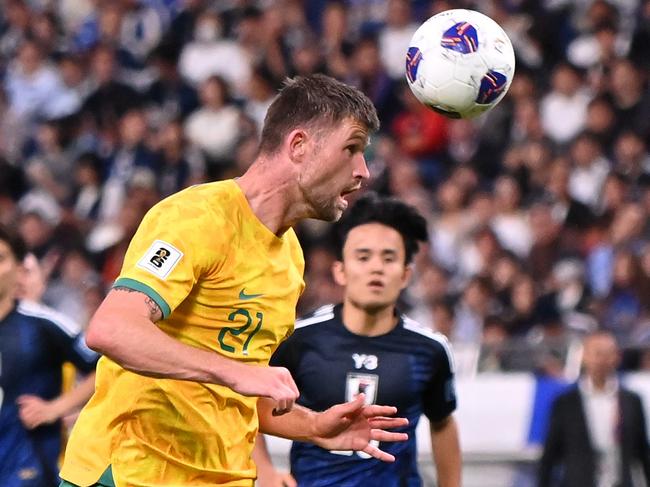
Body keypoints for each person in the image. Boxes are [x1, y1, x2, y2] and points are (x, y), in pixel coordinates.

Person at [59, 74, 409, 487]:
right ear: (299, 146)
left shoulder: (291, 258)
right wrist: (233, 372)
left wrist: (314, 426)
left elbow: (242, 388)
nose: (363, 171)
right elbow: (111, 329)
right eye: (351, 149)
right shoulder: (196, 218)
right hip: (132, 470)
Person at [253, 193, 461, 487]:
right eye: (363, 257)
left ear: (405, 275)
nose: (376, 267)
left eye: (388, 258)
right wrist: (264, 470)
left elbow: (443, 424)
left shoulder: (430, 349)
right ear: (340, 270)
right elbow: (249, 402)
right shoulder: (298, 338)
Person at [0, 226, 98, 487]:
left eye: (0, 259)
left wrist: (55, 408)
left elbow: (104, 367)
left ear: (19, 269)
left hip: (27, 468)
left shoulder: (44, 323)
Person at [538, 330, 650, 487]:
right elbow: (549, 456)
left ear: (617, 357)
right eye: (597, 353)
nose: (602, 360)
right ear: (584, 357)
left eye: (608, 354)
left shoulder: (631, 401)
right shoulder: (566, 403)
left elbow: (643, 452)